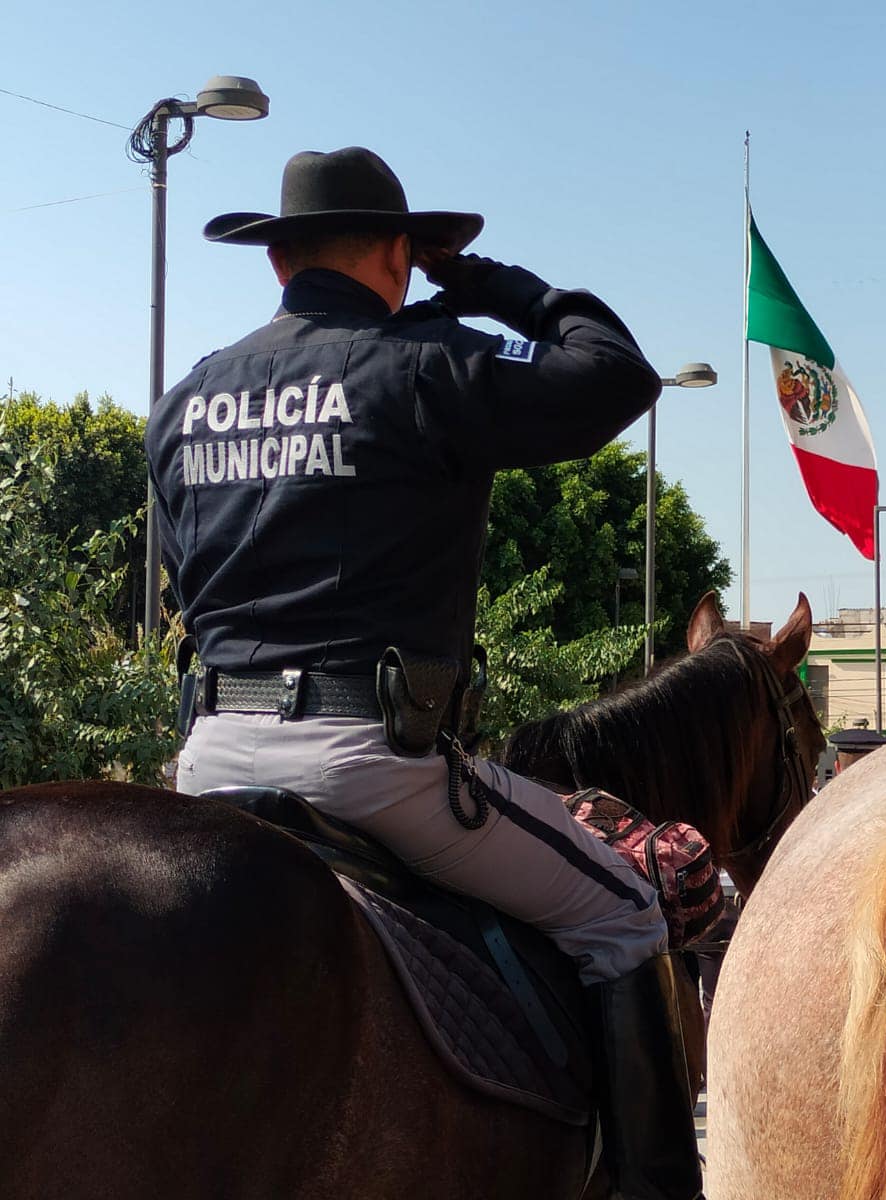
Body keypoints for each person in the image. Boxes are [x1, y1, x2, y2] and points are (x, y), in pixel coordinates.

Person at [145, 147, 701, 1200]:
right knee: (625, 909)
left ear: (278, 262)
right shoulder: (418, 366)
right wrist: (491, 284)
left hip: (210, 761)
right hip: (373, 766)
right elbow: (616, 376)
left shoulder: (187, 400)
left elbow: (187, 581)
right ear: (403, 253)